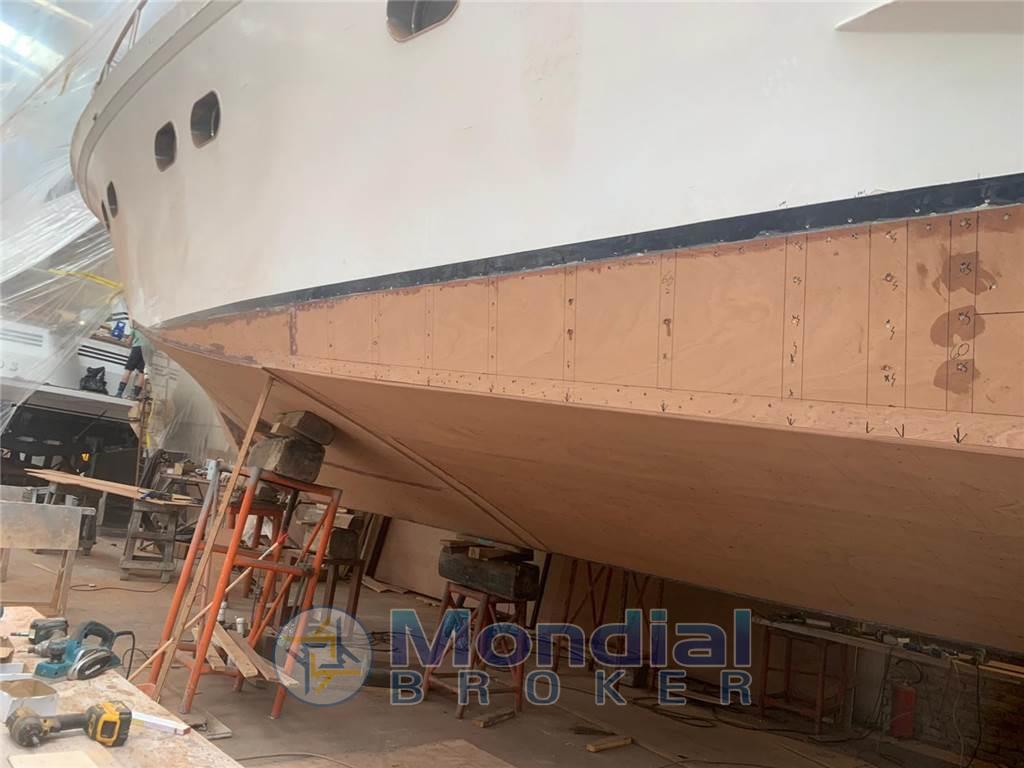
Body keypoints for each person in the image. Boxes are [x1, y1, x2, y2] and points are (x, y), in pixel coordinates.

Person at [117, 328, 146, 399]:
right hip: (148, 350)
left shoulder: (136, 327)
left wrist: (125, 340)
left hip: (137, 348)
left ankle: (119, 393)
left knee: (128, 370)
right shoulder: (154, 328)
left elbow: (129, 342)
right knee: (142, 372)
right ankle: (135, 396)